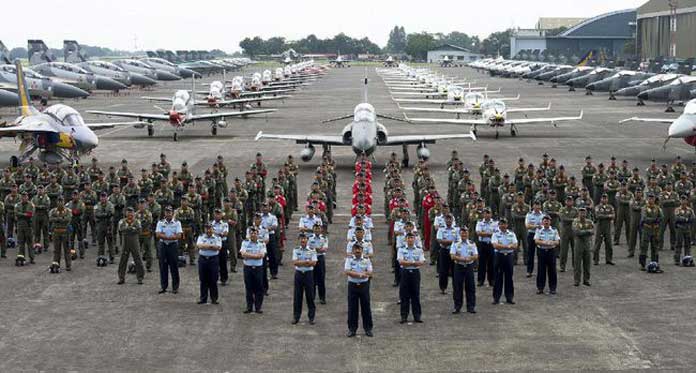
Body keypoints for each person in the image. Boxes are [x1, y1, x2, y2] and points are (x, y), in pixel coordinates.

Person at [345, 242, 374, 337]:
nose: (357, 251)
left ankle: (368, 329)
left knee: (366, 307)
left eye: (359, 249)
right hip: (352, 285)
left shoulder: (366, 259)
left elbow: (370, 272)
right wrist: (361, 274)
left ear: (362, 250)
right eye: (356, 249)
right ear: (353, 250)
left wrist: (355, 273)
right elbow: (347, 271)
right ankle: (352, 329)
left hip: (364, 285)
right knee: (352, 308)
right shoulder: (349, 260)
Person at [397, 232, 425, 323]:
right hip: (405, 272)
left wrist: (408, 262)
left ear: (414, 239)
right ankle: (404, 316)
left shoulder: (419, 250)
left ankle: (417, 316)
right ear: (406, 239)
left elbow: (421, 262)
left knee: (415, 294)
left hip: (415, 273)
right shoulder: (401, 249)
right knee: (404, 295)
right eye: (408, 238)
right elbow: (401, 262)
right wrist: (413, 263)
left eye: (412, 238)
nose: (410, 239)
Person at [450, 227, 478, 314]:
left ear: (468, 234)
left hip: (469, 266)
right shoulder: (455, 243)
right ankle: (457, 307)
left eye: (465, 233)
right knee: (457, 287)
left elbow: (476, 255)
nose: (464, 234)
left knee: (470, 287)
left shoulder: (472, 243)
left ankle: (471, 307)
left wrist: (469, 258)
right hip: (458, 266)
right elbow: (452, 256)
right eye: (462, 233)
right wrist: (462, 259)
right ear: (460, 234)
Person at [292, 233, 318, 325]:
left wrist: (301, 262)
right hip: (299, 274)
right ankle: (296, 317)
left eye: (305, 239)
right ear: (299, 240)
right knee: (297, 296)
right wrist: (307, 262)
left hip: (308, 275)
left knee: (310, 296)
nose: (303, 240)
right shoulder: (296, 250)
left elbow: (314, 263)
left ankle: (311, 317)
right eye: (301, 239)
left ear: (307, 240)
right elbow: (295, 262)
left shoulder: (312, 250)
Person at [155, 206, 182, 294]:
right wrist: (170, 237)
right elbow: (158, 234)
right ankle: (163, 287)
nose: (168, 214)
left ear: (172, 213)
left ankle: (175, 287)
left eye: (169, 212)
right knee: (163, 266)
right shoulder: (160, 222)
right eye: (166, 212)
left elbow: (179, 235)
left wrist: (165, 236)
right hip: (163, 246)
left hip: (173, 246)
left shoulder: (177, 223)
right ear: (164, 213)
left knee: (174, 266)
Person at [491, 218, 518, 305]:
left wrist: (503, 246)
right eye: (501, 224)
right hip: (499, 256)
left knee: (509, 277)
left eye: (504, 224)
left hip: (509, 257)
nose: (503, 225)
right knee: (498, 277)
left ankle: (509, 297)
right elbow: (495, 245)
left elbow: (515, 245)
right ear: (499, 225)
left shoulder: (512, 234)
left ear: (507, 225)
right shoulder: (495, 234)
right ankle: (496, 298)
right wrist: (508, 247)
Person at [240, 228, 266, 313]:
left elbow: (261, 255)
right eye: (251, 233)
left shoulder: (261, 243)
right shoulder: (245, 242)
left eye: (255, 233)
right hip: (248, 268)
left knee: (259, 288)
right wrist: (255, 255)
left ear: (257, 235)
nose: (253, 235)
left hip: (258, 268)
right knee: (249, 288)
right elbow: (243, 254)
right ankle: (249, 307)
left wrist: (249, 255)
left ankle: (258, 307)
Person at [117, 207, 144, 285]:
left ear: (133, 213)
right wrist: (132, 228)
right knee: (123, 260)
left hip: (134, 242)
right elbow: (121, 229)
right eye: (128, 212)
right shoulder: (122, 221)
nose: (130, 214)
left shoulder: (137, 221)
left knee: (138, 259)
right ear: (126, 213)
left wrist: (128, 229)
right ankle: (121, 278)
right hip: (125, 243)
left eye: (131, 212)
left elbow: (139, 230)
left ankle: (140, 278)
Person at [534, 215, 560, 295]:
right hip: (541, 251)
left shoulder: (554, 230)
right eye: (545, 220)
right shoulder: (539, 230)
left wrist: (552, 243)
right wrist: (545, 242)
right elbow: (536, 240)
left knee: (552, 270)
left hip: (551, 251)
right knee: (541, 270)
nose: (546, 222)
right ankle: (540, 288)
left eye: (548, 220)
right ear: (542, 222)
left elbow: (557, 241)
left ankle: (552, 288)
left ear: (550, 222)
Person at [196, 223, 221, 304]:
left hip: (213, 260)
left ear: (213, 229)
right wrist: (211, 246)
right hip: (203, 260)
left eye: (210, 228)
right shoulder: (201, 236)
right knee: (203, 279)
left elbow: (218, 247)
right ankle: (203, 298)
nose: (209, 230)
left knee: (213, 279)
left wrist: (205, 246)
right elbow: (199, 246)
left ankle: (214, 299)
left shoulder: (217, 237)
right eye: (207, 228)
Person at [435, 214, 458, 294]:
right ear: (445, 220)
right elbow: (439, 240)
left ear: (452, 220)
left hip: (454, 251)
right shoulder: (441, 229)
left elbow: (458, 241)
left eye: (450, 219)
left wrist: (447, 242)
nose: (448, 220)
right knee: (443, 270)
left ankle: (456, 288)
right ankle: (443, 288)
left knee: (455, 270)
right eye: (447, 219)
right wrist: (451, 242)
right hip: (444, 251)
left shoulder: (456, 229)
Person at [49, 196, 72, 272]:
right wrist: (61, 219)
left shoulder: (68, 210)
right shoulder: (53, 211)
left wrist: (57, 219)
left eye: (61, 201)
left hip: (65, 232)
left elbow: (68, 219)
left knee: (67, 250)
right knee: (56, 250)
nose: (60, 203)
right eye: (59, 201)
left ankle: (68, 265)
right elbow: (51, 218)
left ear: (64, 202)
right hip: (56, 232)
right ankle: (56, 264)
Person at [475, 209, 497, 287]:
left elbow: (496, 233)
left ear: (491, 214)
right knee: (481, 263)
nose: (487, 215)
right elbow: (478, 233)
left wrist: (484, 234)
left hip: (491, 244)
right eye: (485, 213)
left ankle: (492, 280)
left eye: (488, 213)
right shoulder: (480, 222)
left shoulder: (495, 223)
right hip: (482, 244)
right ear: (483, 214)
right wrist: (489, 234)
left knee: (492, 263)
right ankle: (480, 280)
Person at [572, 208, 594, 286]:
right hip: (578, 244)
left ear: (586, 213)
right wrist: (587, 231)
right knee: (577, 263)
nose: (582, 214)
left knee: (587, 263)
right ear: (578, 213)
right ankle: (577, 280)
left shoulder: (589, 221)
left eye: (584, 212)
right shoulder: (575, 221)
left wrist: (584, 231)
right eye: (581, 212)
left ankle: (586, 280)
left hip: (587, 244)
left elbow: (592, 231)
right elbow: (576, 232)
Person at [308, 223, 328, 304]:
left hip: (320, 258)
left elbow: (324, 249)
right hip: (312, 258)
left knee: (321, 279)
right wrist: (318, 249)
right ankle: (311, 297)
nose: (317, 230)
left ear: (321, 229)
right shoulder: (309, 238)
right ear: (313, 229)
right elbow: (308, 248)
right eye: (315, 229)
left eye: (318, 228)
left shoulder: (324, 238)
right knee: (311, 278)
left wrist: (315, 249)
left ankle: (322, 297)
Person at [210, 209, 229, 286]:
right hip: (213, 243)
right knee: (214, 262)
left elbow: (224, 234)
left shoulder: (225, 224)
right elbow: (210, 233)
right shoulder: (211, 223)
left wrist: (215, 233)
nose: (217, 215)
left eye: (219, 214)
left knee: (223, 262)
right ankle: (214, 278)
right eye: (216, 214)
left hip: (222, 243)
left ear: (221, 215)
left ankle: (224, 279)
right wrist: (218, 233)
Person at [524, 201, 544, 277]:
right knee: (530, 253)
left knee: (541, 254)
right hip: (531, 234)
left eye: (538, 205)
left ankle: (541, 271)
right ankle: (529, 271)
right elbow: (527, 226)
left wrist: (534, 225)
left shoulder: (543, 215)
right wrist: (536, 226)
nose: (537, 207)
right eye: (536, 205)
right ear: (533, 206)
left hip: (540, 235)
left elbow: (545, 225)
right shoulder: (529, 214)